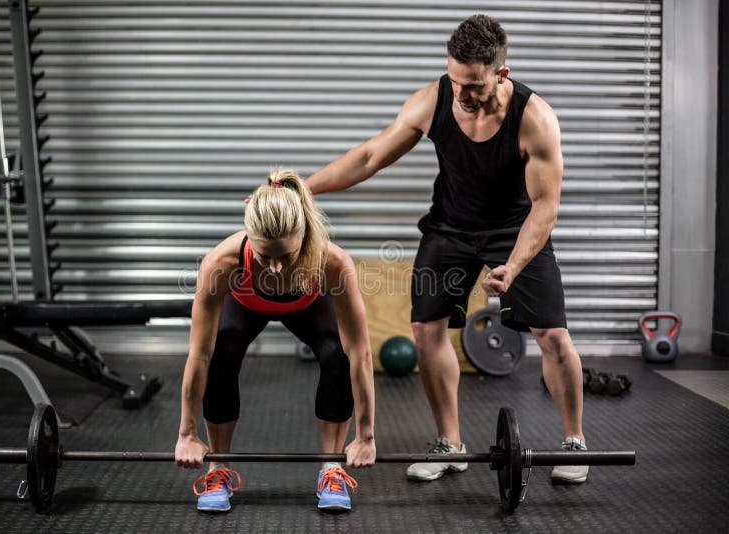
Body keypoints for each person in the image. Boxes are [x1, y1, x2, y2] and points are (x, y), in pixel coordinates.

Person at [305, 14, 589, 485]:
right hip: (450, 228)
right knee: (425, 328)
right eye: (455, 80)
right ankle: (450, 443)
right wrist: (304, 190)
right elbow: (370, 156)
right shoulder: (434, 99)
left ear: (502, 73)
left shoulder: (534, 118)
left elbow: (545, 207)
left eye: (473, 85)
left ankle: (575, 444)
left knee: (553, 336)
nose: (461, 94)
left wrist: (514, 267)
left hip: (516, 230)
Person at [175, 168, 376, 513]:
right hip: (245, 305)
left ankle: (332, 467)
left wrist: (366, 435)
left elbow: (360, 352)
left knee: (337, 354)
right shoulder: (220, 263)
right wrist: (186, 433)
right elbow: (200, 354)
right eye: (265, 256)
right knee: (222, 353)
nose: (276, 268)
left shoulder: (332, 262)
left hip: (307, 305)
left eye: (286, 255)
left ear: (304, 237)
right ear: (250, 239)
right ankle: (218, 467)